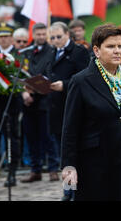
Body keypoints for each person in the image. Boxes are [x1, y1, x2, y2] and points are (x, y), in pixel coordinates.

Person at [61, 24, 121, 201]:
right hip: (96, 163)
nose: (117, 51)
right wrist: (69, 165)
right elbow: (70, 128)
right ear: (97, 51)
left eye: (120, 46)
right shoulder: (81, 81)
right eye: (110, 46)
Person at [45, 22, 90, 199]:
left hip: (72, 106)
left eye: (59, 37)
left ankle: (77, 189)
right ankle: (68, 189)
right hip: (55, 108)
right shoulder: (51, 52)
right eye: (53, 37)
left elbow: (84, 77)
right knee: (63, 153)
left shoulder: (79, 52)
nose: (55, 40)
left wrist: (64, 84)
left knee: (74, 151)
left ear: (67, 35)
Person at [20, 23, 59, 183]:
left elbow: (51, 73)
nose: (41, 37)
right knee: (31, 136)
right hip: (28, 100)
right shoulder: (26, 52)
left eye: (44, 34)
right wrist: (24, 91)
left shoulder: (52, 51)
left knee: (48, 136)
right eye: (38, 34)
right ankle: (35, 169)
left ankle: (52, 168)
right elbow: (21, 72)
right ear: (33, 35)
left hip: (45, 99)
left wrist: (37, 86)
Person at [0, 22, 21, 187]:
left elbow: (24, 76)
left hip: (12, 101)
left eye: (7, 37)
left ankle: (12, 173)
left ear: (12, 38)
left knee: (12, 137)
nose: (4, 40)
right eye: (1, 37)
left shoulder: (18, 55)